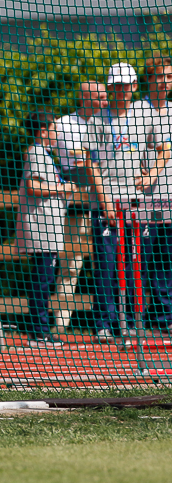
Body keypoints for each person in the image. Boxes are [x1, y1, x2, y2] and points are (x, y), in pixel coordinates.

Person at [86, 63, 169, 343]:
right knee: (107, 264)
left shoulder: (145, 115)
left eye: (127, 84)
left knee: (137, 264)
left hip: (137, 202)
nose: (122, 90)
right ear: (110, 87)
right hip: (107, 202)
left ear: (134, 86)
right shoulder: (97, 120)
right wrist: (105, 202)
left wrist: (151, 176)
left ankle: (133, 322)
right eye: (117, 85)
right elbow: (91, 164)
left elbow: (165, 148)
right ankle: (105, 324)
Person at [15, 112, 79, 347]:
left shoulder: (44, 154)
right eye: (53, 129)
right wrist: (62, 188)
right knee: (43, 279)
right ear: (43, 131)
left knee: (45, 278)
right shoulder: (36, 153)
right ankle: (39, 332)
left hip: (48, 226)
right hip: (41, 226)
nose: (57, 133)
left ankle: (39, 330)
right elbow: (33, 186)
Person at [51, 81, 108, 331]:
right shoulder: (63, 124)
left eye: (106, 96)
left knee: (108, 263)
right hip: (76, 204)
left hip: (108, 203)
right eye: (100, 97)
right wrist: (61, 182)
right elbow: (44, 154)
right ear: (85, 97)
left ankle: (110, 324)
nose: (106, 100)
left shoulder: (112, 122)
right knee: (70, 265)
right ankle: (61, 326)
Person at [135, 55, 172, 334]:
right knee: (140, 261)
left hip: (169, 198)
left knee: (166, 261)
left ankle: (163, 317)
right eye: (160, 76)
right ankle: (132, 319)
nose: (165, 82)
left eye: (169, 77)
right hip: (142, 199)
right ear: (149, 79)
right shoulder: (137, 110)